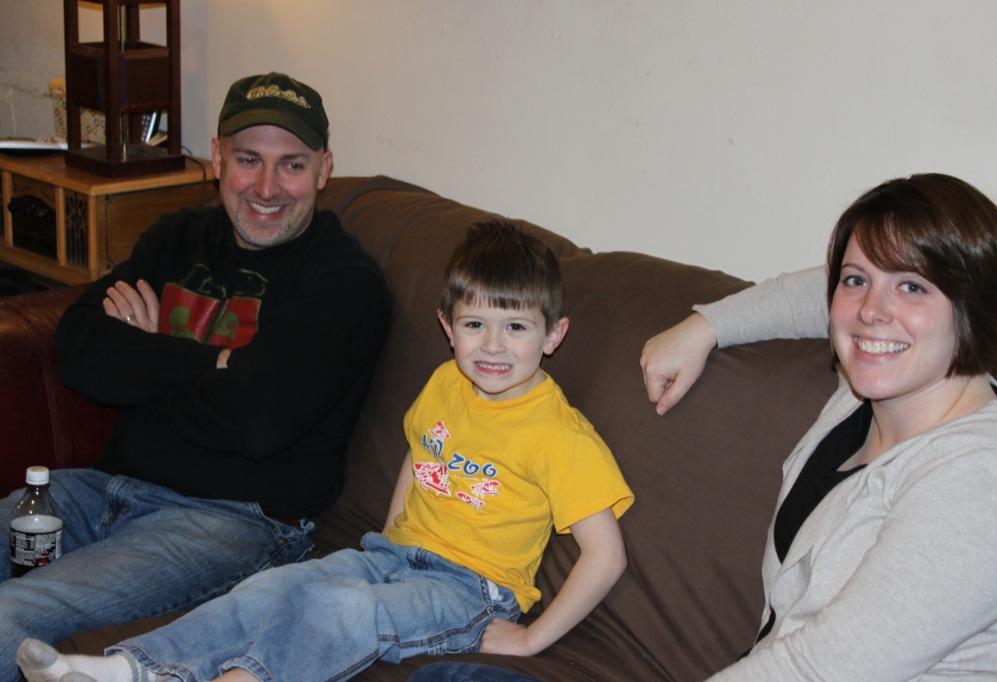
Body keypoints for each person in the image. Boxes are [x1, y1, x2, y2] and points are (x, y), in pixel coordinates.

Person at [407, 172, 997, 682]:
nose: (872, 310)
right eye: (858, 280)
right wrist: (704, 328)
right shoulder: (868, 393)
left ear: (975, 309)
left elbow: (825, 666)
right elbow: (821, 293)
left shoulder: (986, 480)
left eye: (912, 287)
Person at [17, 220, 634, 682]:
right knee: (268, 590)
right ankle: (129, 668)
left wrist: (531, 639)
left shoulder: (559, 435)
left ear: (553, 335)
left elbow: (605, 556)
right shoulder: (447, 382)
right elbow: (420, 453)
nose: (492, 346)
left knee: (338, 610)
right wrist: (390, 537)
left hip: (469, 590)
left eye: (516, 327)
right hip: (392, 557)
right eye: (475, 325)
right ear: (448, 328)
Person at [1, 72, 389, 682]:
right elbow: (78, 349)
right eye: (248, 160)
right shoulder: (178, 237)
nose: (267, 187)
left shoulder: (344, 283)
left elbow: (259, 422)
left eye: (291, 165)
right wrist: (207, 363)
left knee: (12, 615)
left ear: (324, 169)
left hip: (229, 522)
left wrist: (147, 352)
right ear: (217, 159)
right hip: (102, 490)